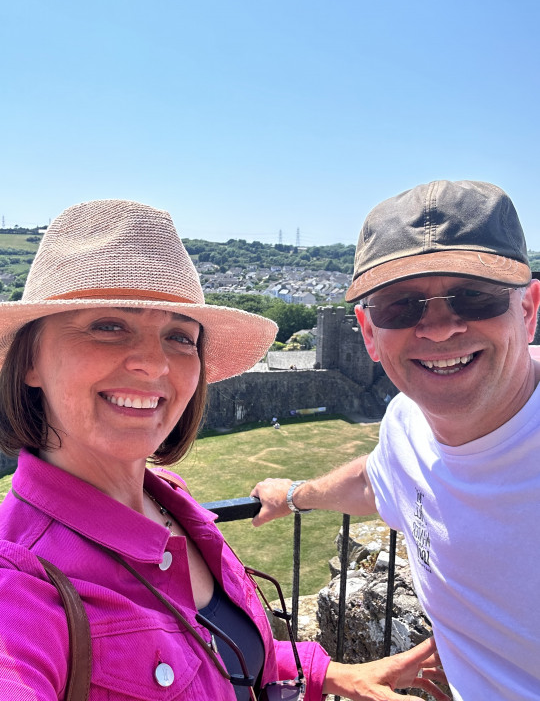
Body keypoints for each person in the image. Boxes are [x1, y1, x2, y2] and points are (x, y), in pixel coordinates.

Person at [0, 199, 449, 701]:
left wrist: (330, 674)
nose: (154, 363)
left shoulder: (169, 499)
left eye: (180, 336)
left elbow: (207, 649)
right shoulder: (18, 580)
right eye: (109, 326)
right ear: (29, 363)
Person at [252, 179, 540, 701]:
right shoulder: (406, 418)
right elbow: (377, 479)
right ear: (368, 332)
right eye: (401, 307)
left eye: (474, 296)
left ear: (527, 309)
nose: (439, 328)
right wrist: (293, 495)